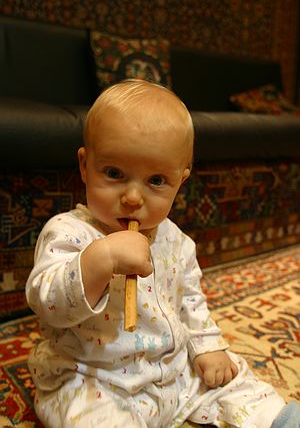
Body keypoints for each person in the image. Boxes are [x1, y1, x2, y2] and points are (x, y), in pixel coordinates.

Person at [26, 80, 300, 428]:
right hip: (95, 378)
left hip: (174, 372)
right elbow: (46, 302)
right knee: (87, 417)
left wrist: (207, 346)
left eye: (156, 180)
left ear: (180, 181)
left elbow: (191, 301)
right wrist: (100, 259)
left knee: (233, 378)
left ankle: (281, 420)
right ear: (84, 165)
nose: (133, 198)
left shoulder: (177, 240)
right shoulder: (68, 232)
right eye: (114, 173)